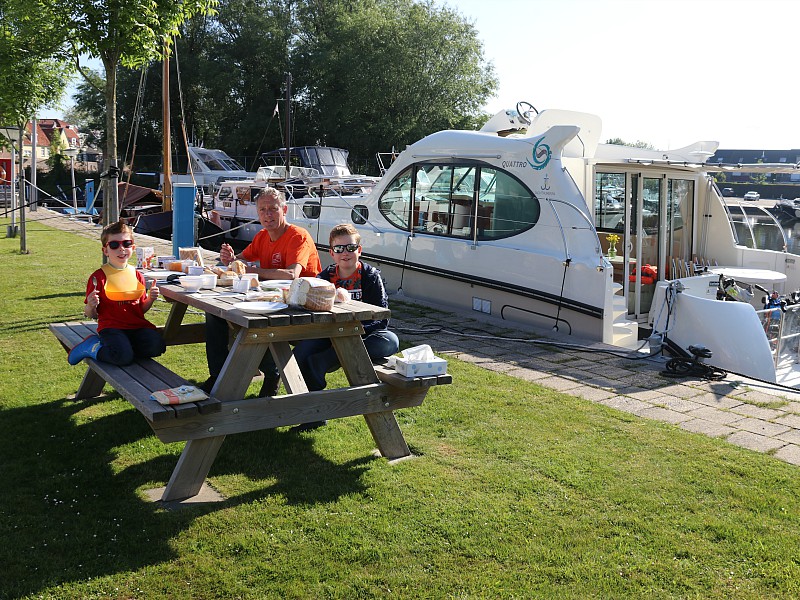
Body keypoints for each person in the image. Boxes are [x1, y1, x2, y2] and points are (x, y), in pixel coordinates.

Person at [202, 187, 322, 395]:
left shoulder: (297, 236)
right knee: (215, 314)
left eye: (273, 209)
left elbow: (292, 274)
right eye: (262, 210)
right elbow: (242, 259)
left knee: (253, 321)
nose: (267, 215)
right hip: (272, 300)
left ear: (284, 209)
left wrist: (251, 270)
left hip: (303, 304)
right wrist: (231, 259)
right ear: (257, 213)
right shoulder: (262, 236)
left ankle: (272, 373)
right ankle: (218, 375)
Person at [292, 223, 400, 431]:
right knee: (299, 354)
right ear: (332, 253)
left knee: (390, 341)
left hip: (364, 335)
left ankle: (324, 360)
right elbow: (310, 308)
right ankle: (313, 413)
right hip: (329, 334)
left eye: (350, 248)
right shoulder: (324, 278)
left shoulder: (370, 276)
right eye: (339, 249)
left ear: (359, 250)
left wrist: (356, 331)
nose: (345, 253)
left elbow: (382, 317)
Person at [67, 221, 166, 366]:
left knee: (157, 346)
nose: (121, 249)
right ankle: (92, 347)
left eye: (126, 244)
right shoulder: (98, 277)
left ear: (133, 247)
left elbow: (141, 310)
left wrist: (150, 299)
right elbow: (91, 314)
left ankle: (125, 349)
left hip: (136, 326)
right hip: (111, 327)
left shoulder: (137, 275)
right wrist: (90, 305)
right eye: (114, 245)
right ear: (105, 251)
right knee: (122, 357)